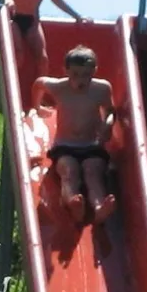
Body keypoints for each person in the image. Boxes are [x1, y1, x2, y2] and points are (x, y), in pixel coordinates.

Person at [34, 45, 117, 224]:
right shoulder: (59, 87)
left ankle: (98, 207)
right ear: (66, 71)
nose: (81, 80)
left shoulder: (101, 89)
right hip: (65, 145)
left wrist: (108, 124)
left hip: (92, 144)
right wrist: (36, 106)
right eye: (75, 75)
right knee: (69, 171)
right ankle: (72, 203)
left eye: (86, 75)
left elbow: (110, 110)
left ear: (95, 71)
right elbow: (39, 83)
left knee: (92, 171)